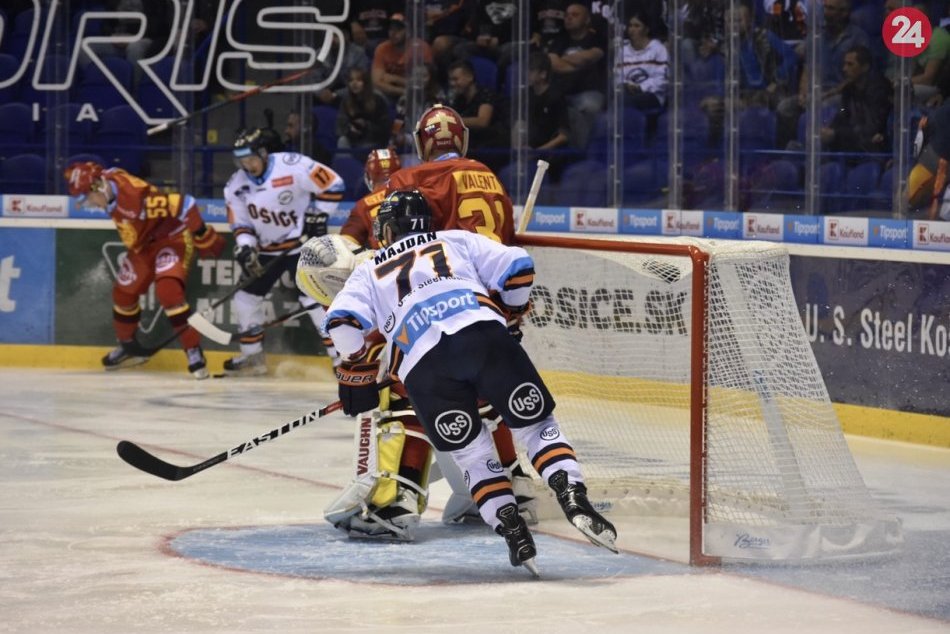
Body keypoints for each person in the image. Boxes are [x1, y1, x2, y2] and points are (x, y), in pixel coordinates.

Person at [323, 189, 619, 574]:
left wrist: (358, 362)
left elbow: (342, 327)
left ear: (389, 229)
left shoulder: (368, 268)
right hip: (482, 337)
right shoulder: (454, 239)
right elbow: (518, 266)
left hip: (425, 371)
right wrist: (512, 310)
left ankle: (511, 530)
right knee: (535, 426)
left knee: (471, 456)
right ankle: (572, 495)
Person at [63, 161, 225, 379]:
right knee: (123, 294)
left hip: (171, 238)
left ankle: (193, 351)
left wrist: (202, 234)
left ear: (97, 187)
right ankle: (129, 347)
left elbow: (184, 203)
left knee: (169, 293)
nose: (90, 204)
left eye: (87, 197)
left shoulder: (135, 198)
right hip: (143, 246)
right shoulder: (107, 183)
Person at [222, 127, 344, 375]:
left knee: (314, 298)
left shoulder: (292, 165)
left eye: (251, 159)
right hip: (266, 250)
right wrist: (245, 248)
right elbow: (241, 224)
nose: (248, 165)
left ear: (263, 153)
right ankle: (253, 358)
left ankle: (341, 358)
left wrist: (318, 217)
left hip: (300, 246)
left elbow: (333, 184)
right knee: (245, 298)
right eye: (242, 161)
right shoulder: (236, 186)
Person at [819, 45, 892, 155]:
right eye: (844, 64)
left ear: (865, 67)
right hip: (853, 142)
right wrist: (830, 129)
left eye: (850, 64)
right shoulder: (848, 90)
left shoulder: (879, 90)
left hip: (875, 147)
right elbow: (843, 114)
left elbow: (872, 128)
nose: (844, 69)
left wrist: (836, 134)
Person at [371, 13, 435, 101]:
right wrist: (403, 91)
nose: (393, 33)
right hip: (391, 92)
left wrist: (394, 79)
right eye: (391, 29)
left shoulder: (421, 47)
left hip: (417, 94)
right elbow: (376, 82)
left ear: (408, 31)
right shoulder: (381, 48)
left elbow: (423, 82)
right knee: (376, 94)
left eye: (398, 30)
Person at [615, 10, 669, 113]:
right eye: (630, 26)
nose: (632, 29)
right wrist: (627, 85)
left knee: (625, 103)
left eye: (637, 26)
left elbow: (662, 80)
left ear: (646, 29)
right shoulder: (623, 51)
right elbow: (618, 77)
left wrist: (640, 87)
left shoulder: (658, 49)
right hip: (628, 93)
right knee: (616, 100)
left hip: (652, 95)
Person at [335, 67, 393, 150]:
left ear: (366, 83)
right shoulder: (346, 101)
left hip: (374, 141)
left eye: (358, 80)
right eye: (351, 80)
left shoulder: (378, 99)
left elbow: (385, 129)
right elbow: (339, 128)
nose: (354, 84)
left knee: (367, 146)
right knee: (342, 140)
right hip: (353, 141)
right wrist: (350, 129)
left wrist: (366, 126)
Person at [909, 102, 950, 219]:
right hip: (931, 159)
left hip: (933, 158)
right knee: (908, 197)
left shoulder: (941, 112)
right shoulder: (942, 112)